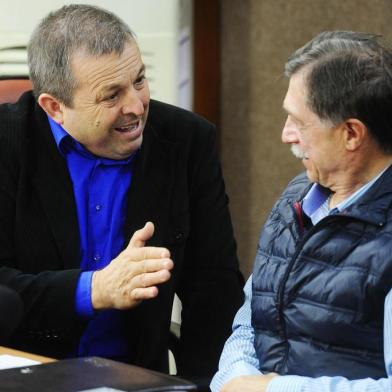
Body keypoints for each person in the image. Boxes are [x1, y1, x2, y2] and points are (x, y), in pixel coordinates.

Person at [0, 4, 244, 383]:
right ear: (54, 107)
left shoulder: (186, 141)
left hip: (136, 377)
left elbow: (215, 292)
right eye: (111, 96)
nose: (136, 107)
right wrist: (93, 289)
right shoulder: (6, 144)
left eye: (140, 81)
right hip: (23, 374)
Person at [211, 31, 392, 392]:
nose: (285, 135)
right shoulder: (296, 196)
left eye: (298, 122)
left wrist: (272, 390)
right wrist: (234, 377)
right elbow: (251, 319)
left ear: (351, 134)